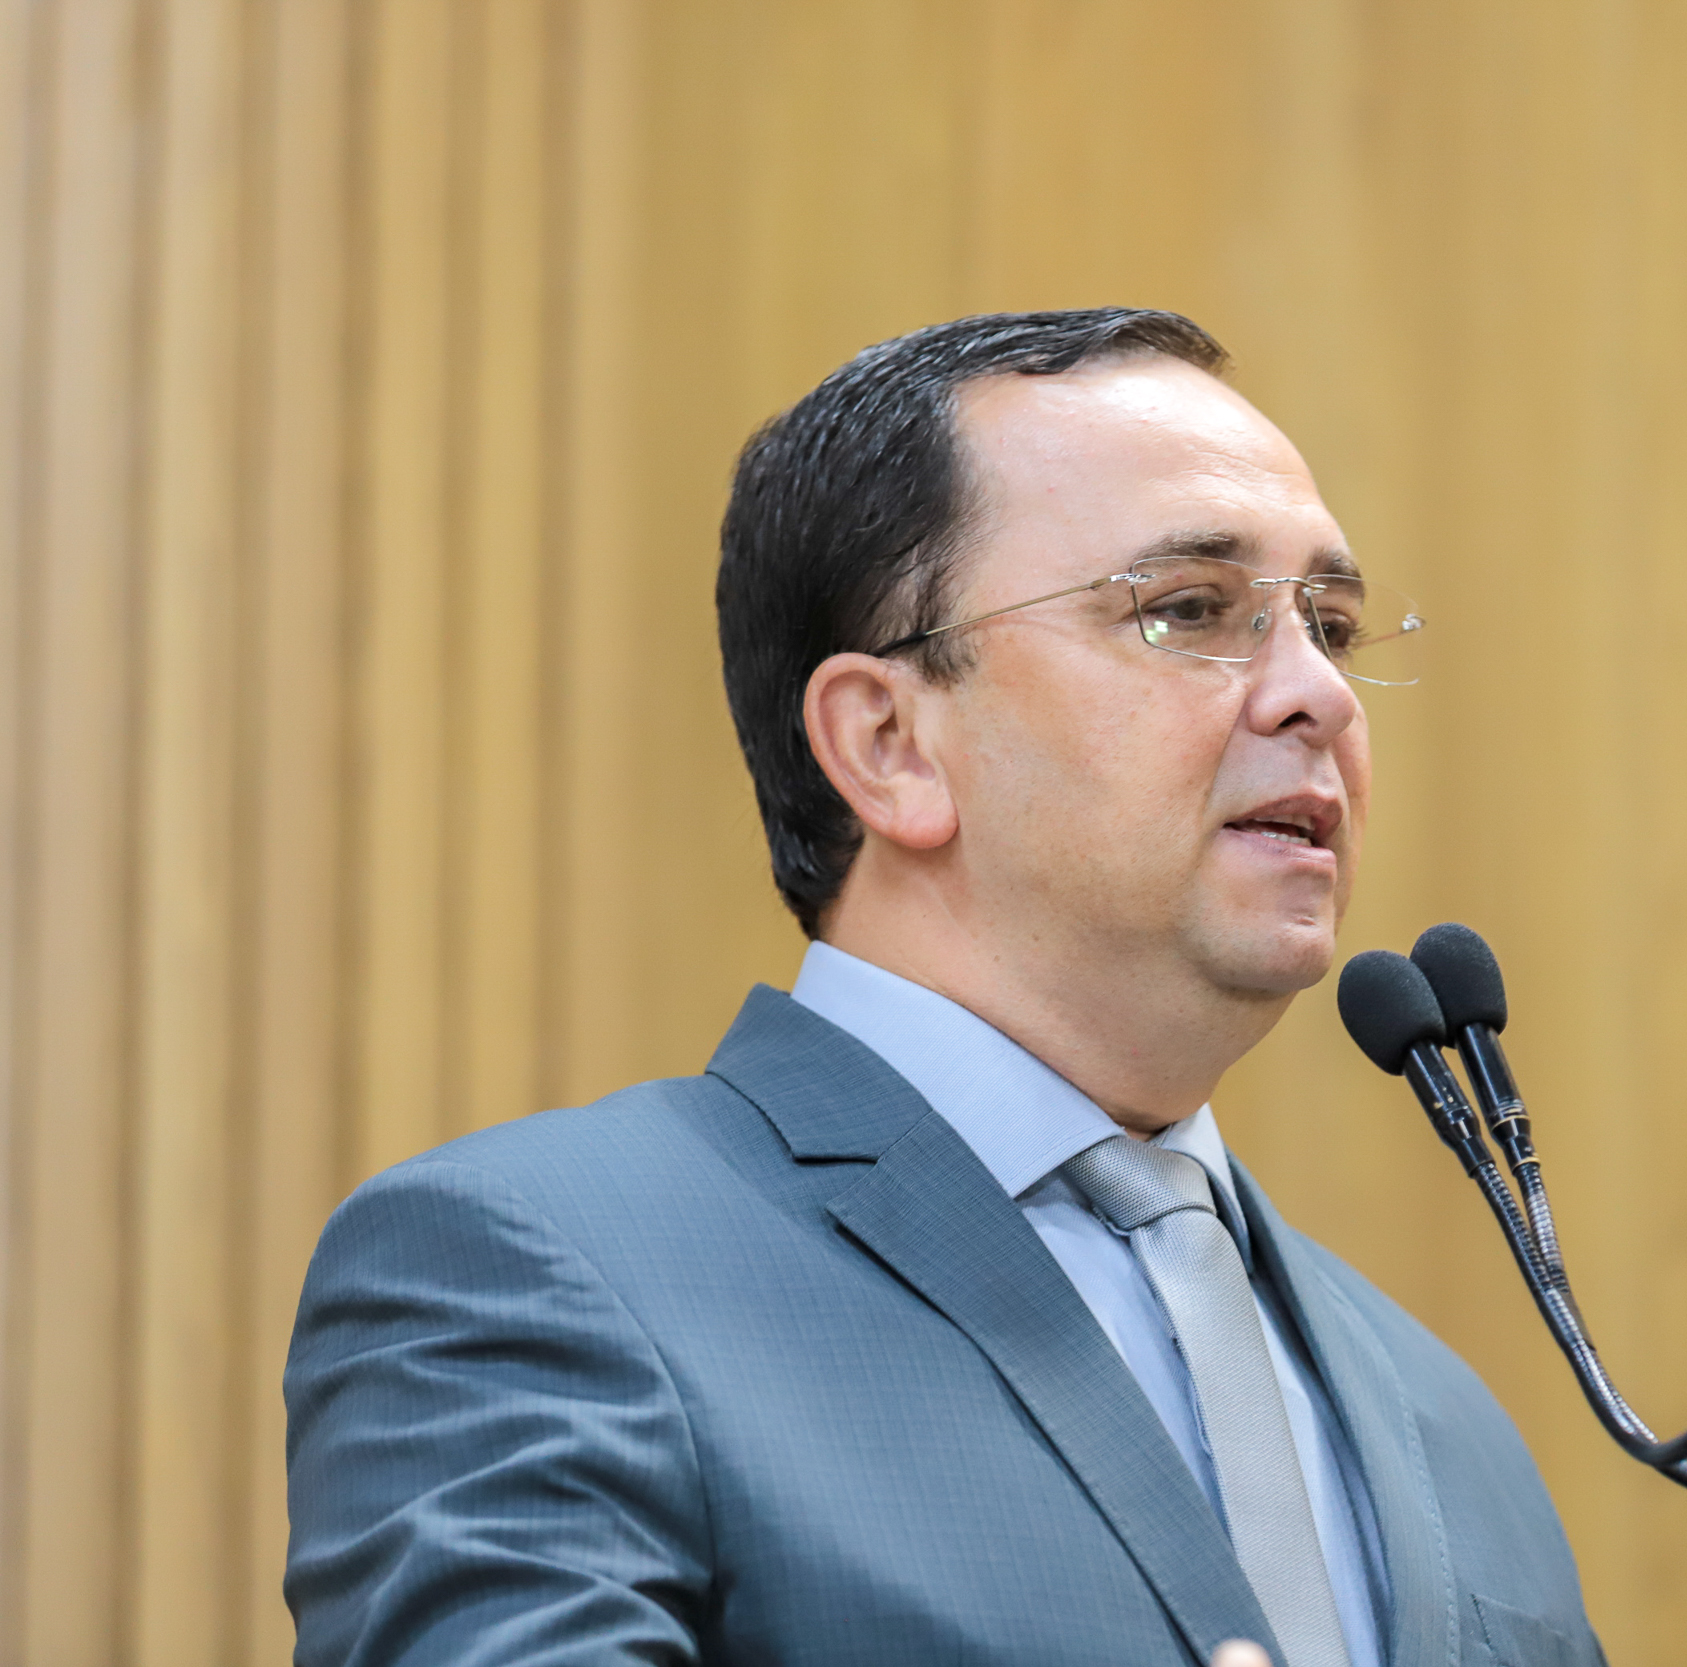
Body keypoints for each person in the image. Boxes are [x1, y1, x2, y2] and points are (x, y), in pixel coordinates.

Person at [285, 309, 1604, 1667]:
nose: (1317, 694)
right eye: (1188, 610)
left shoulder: (1452, 1421)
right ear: (889, 743)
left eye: (1331, 624)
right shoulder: (539, 1271)